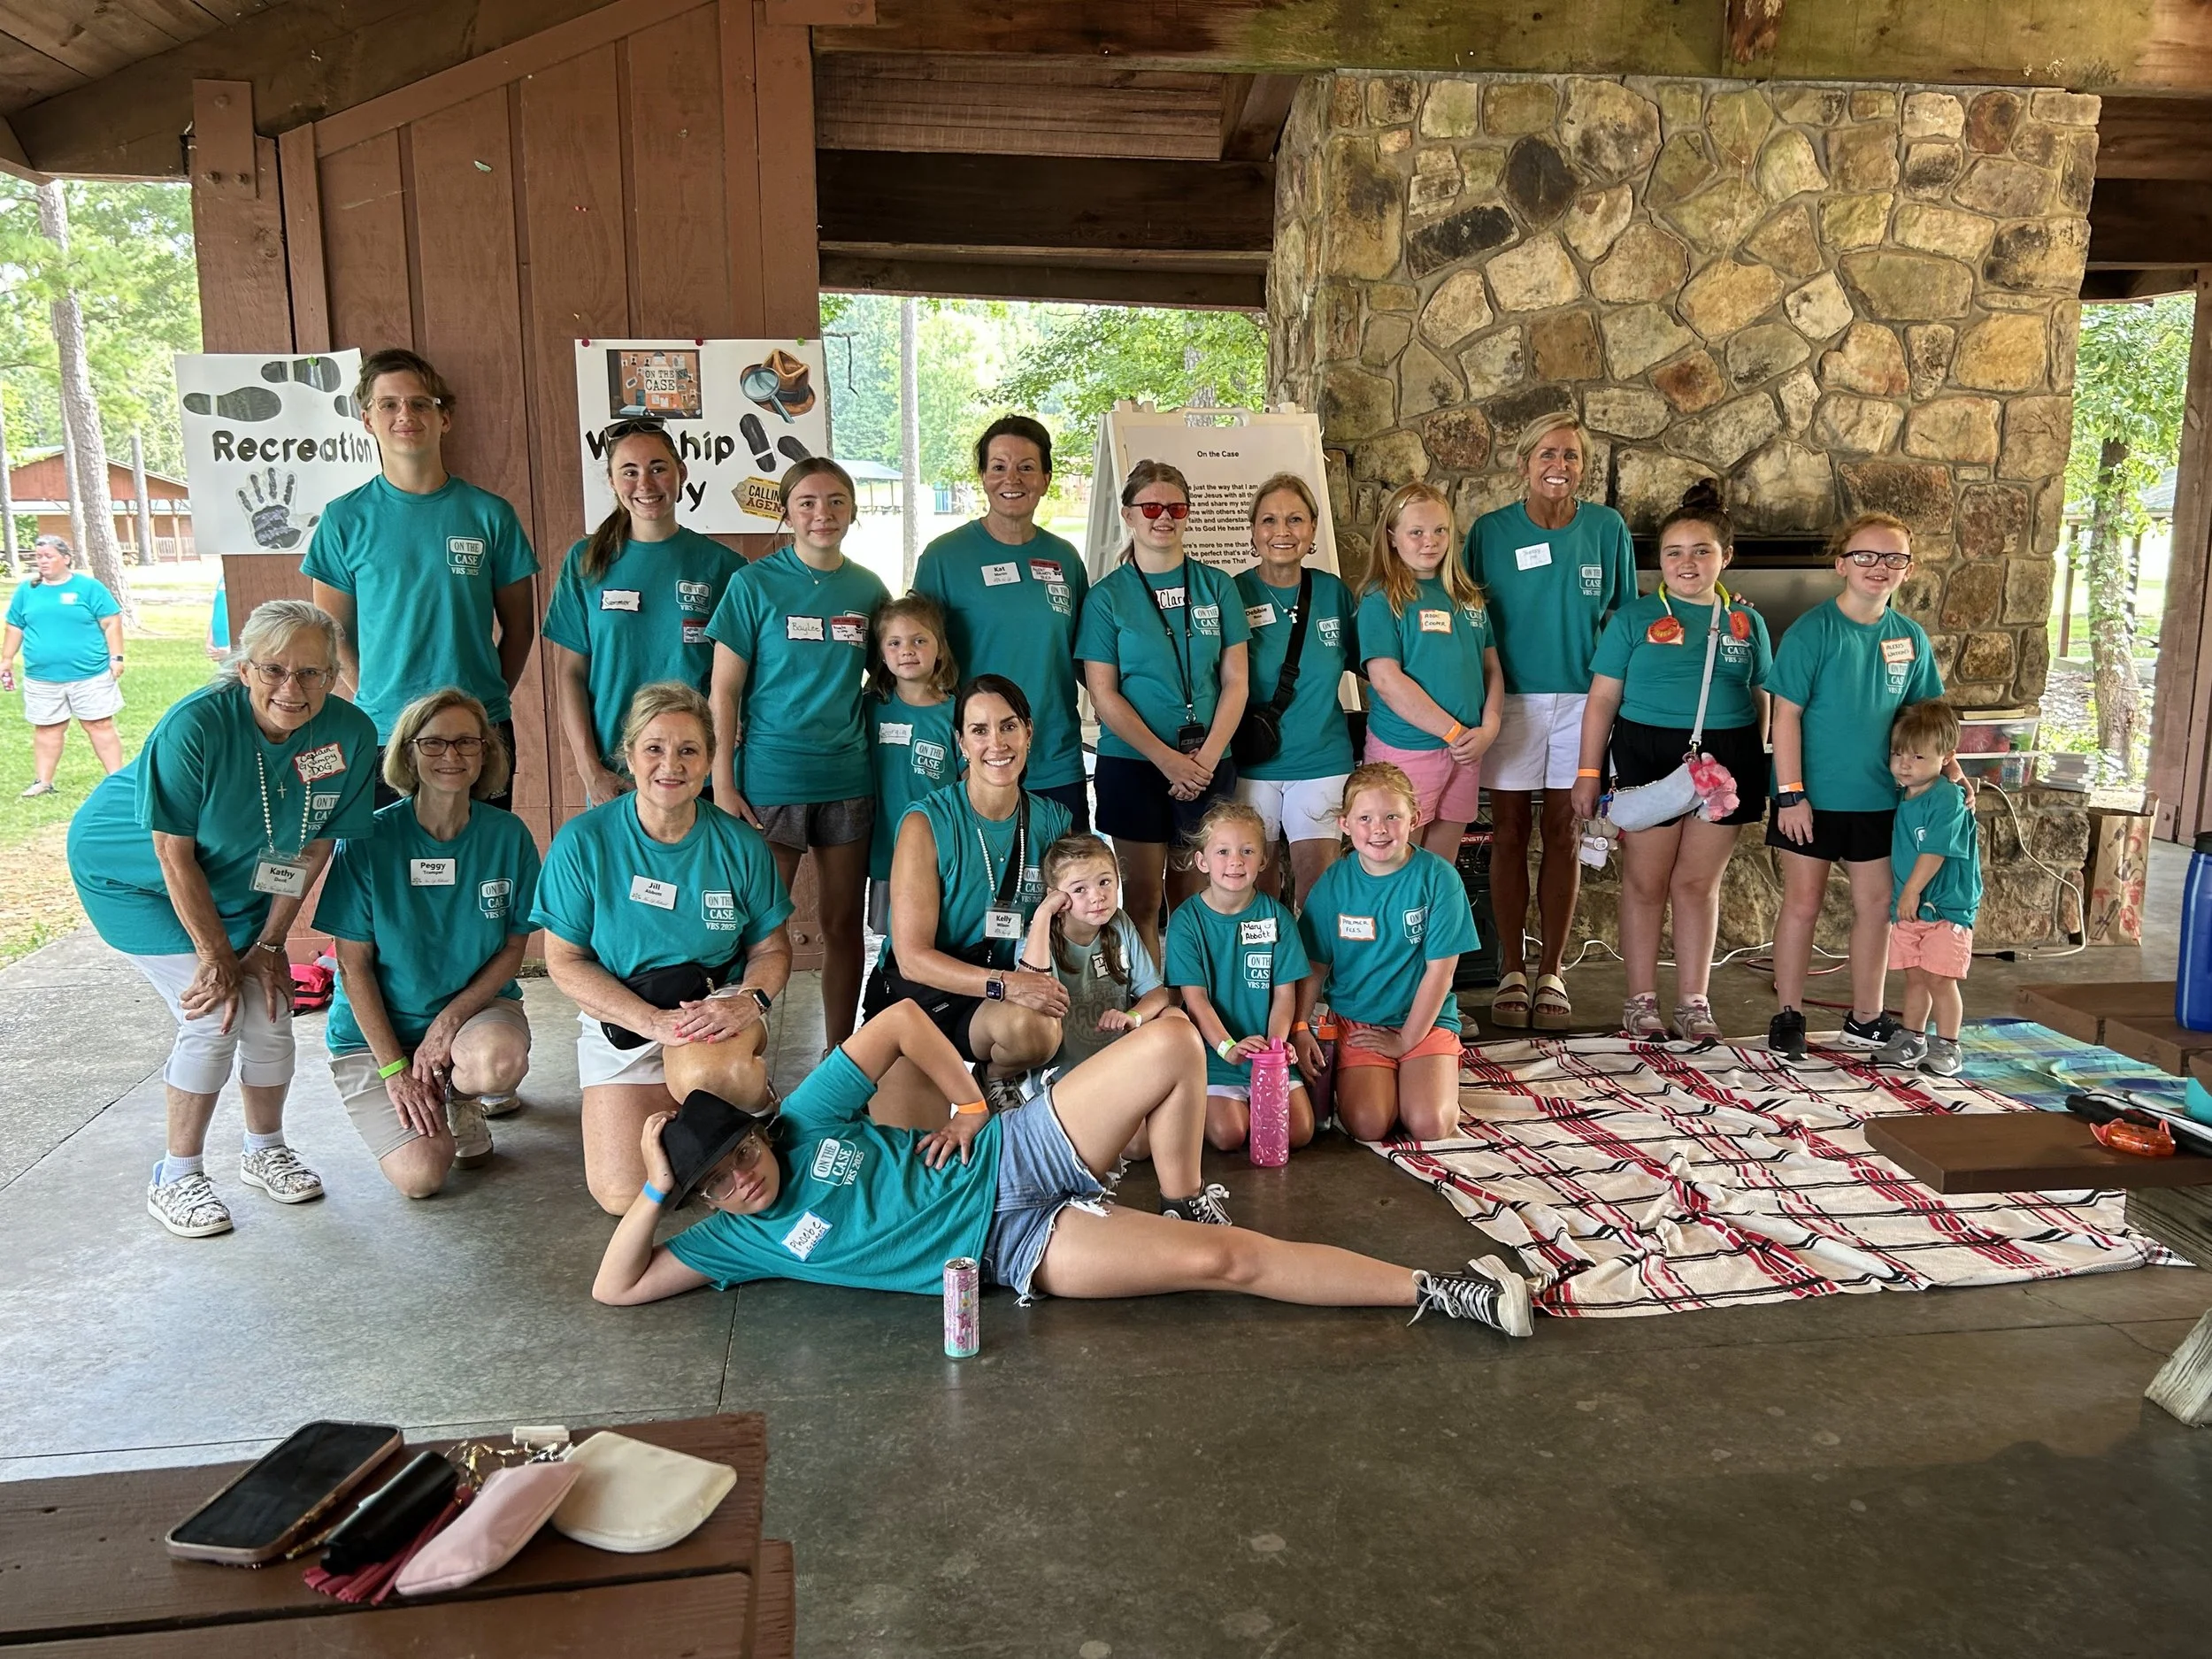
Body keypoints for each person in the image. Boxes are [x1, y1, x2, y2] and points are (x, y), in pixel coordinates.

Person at [590, 996, 1533, 1340]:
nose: (741, 1180)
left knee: (1168, 1041)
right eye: (715, 1182)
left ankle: (1181, 1197)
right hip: (1015, 1243)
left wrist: (967, 1103)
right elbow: (615, 1290)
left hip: (1012, 1147)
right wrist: (659, 1190)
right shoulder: (733, 1241)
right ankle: (1441, 1291)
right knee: (1226, 1266)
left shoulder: (803, 1118)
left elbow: (898, 1025)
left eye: (739, 1155)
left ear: (760, 1131)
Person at [66, 600, 376, 1238]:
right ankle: (176, 1176)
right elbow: (171, 852)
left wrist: (269, 942)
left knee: (269, 1003)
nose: (292, 688)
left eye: (313, 673)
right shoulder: (197, 726)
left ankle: (265, 1150)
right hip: (134, 880)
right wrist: (215, 957)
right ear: (243, 667)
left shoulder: (350, 734)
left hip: (233, 882)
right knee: (216, 1011)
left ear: (334, 673)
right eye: (274, 669)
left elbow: (314, 844)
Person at [534, 681, 794, 1213]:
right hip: (624, 1015)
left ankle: (759, 1111)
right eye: (654, 748)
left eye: (688, 750)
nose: (670, 764)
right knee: (621, 1194)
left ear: (709, 761)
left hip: (713, 1004)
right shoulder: (583, 842)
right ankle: (693, 1117)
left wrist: (750, 1001)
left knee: (702, 1074)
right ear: (628, 756)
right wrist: (651, 1023)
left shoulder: (740, 844)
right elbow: (563, 961)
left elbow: (772, 949)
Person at [1571, 480, 1771, 1041]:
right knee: (1645, 882)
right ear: (1659, 560)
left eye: (1702, 551)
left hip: (1727, 759)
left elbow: (1761, 695)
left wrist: (1766, 764)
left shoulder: (1747, 623)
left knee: (1698, 884)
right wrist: (1588, 773)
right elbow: (1603, 700)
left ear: (1725, 558)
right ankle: (1639, 1000)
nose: (1687, 563)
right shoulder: (1633, 619)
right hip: (1647, 754)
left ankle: (1693, 1001)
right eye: (1674, 552)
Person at [319, 690, 540, 1197]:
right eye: (434, 742)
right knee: (421, 1177)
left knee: (496, 1064)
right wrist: (396, 1069)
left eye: (467, 742)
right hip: (376, 1037)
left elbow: (512, 948)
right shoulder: (368, 838)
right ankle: (418, 1096)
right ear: (408, 752)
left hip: (472, 1016)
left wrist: (449, 1021)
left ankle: (456, 1095)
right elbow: (353, 968)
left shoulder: (508, 835)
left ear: (487, 752)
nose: (452, 756)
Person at [1764, 512, 1967, 1063]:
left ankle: (1867, 1017)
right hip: (1812, 801)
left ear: (1908, 569)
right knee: (1801, 906)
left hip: (1883, 802)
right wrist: (1790, 793)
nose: (1879, 568)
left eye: (1893, 558)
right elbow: (1785, 717)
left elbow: (1928, 716)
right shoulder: (1813, 631)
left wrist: (1950, 767)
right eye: (1866, 557)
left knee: (1877, 907)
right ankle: (1788, 1015)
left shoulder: (1909, 637)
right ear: (1841, 564)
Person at [303, 348, 539, 809]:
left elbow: (520, 628)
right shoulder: (344, 519)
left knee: (482, 863)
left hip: (479, 731)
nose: (404, 414)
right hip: (387, 731)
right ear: (368, 420)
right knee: (392, 870)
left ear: (444, 417)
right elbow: (330, 635)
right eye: (388, 404)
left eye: (419, 402)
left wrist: (483, 701)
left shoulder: (490, 515)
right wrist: (374, 691)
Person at [705, 458, 887, 1048]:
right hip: (769, 781)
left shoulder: (868, 589)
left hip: (846, 778)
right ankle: (737, 1055)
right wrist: (723, 782)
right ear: (785, 512)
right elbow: (724, 690)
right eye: (807, 502)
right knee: (758, 927)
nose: (822, 514)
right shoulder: (753, 585)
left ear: (853, 511)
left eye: (836, 501)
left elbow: (889, 681)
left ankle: (840, 1055)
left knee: (841, 926)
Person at [1464, 417, 1635, 1032]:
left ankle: (1553, 970)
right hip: (1509, 699)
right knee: (1508, 832)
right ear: (1523, 462)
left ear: (1582, 466)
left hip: (1586, 701)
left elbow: (1623, 616)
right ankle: (1511, 966)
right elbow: (1467, 613)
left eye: (1570, 454)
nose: (1558, 464)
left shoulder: (1607, 529)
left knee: (1563, 830)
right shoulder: (1490, 532)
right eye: (1546, 453)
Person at [872, 676, 1071, 1116]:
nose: (996, 743)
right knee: (919, 1152)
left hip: (992, 1006)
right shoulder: (925, 823)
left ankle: (996, 1075)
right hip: (916, 1001)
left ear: (1028, 733)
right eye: (979, 730)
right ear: (961, 742)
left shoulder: (1055, 821)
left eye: (1008, 726)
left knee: (1037, 1030)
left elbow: (1079, 928)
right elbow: (912, 959)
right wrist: (1009, 984)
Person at [1076, 460, 1251, 956]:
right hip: (1134, 764)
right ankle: (1154, 1012)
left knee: (1199, 896)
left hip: (1208, 761)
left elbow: (1236, 681)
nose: (1163, 517)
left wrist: (1206, 760)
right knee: (1144, 900)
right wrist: (1166, 759)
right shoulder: (1107, 598)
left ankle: (1199, 1004)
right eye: (1150, 507)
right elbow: (1103, 694)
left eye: (1175, 507)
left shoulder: (1218, 586)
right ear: (1129, 515)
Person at [544, 419, 742, 808]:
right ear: (613, 481)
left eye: (657, 468)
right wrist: (591, 772)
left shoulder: (724, 567)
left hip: (694, 774)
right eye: (630, 472)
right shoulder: (585, 562)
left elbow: (737, 683)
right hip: (616, 778)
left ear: (680, 473)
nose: (645, 485)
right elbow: (569, 675)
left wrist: (721, 775)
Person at [913, 417, 1092, 829]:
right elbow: (919, 669)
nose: (1012, 478)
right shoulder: (945, 558)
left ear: (1046, 479)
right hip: (979, 759)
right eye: (998, 466)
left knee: (1067, 882)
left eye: (1026, 467)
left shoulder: (1064, 558)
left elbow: (1087, 657)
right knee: (983, 888)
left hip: (1054, 758)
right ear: (983, 477)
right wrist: (956, 754)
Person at [1294, 764, 1480, 1145]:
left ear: (1415, 818)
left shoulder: (1439, 878)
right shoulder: (1334, 882)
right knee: (1369, 1124)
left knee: (1431, 1125)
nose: (1378, 829)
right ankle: (1383, 1079)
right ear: (1345, 824)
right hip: (1359, 1023)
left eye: (1392, 816)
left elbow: (1440, 973)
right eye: (1365, 818)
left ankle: (1418, 1073)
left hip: (1424, 1021)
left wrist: (1405, 1041)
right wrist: (1299, 1027)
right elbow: (1314, 964)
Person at [1357, 481, 1502, 862]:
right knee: (1395, 864)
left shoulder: (1467, 595)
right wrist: (1454, 732)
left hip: (1466, 750)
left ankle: (1432, 925)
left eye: (1440, 530)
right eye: (1416, 532)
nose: (1430, 541)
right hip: (1407, 750)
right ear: (1392, 537)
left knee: (1442, 867)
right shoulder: (1381, 597)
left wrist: (1491, 727)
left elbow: (1491, 668)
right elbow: (1387, 681)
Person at [1233, 473, 1356, 905]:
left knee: (1316, 887)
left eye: (1295, 520)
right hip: (1252, 764)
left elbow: (1374, 666)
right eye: (1269, 520)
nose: (1282, 532)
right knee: (1254, 888)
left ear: (1312, 530)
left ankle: (1313, 976)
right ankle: (1266, 973)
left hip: (1321, 760)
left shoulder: (1334, 593)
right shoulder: (1231, 593)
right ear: (1252, 531)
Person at [1165, 801, 1314, 1155]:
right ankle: (1190, 1100)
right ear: (1202, 861)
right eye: (1223, 851)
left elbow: (1284, 995)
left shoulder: (1277, 917)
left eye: (1247, 851)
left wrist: (1275, 1050)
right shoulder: (1187, 921)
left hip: (1267, 1053)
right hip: (1216, 1054)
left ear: (1263, 860)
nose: (1236, 861)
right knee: (1229, 1135)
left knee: (1300, 1133)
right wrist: (1226, 1048)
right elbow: (1195, 999)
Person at [1878, 700, 1981, 1078]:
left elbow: (1936, 850)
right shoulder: (1904, 795)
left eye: (1919, 757)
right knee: (1916, 976)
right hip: (1911, 907)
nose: (1905, 764)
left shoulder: (1947, 798)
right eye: (1899, 754)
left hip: (1944, 908)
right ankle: (1912, 1037)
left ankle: (1948, 1044)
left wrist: (1911, 891)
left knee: (1940, 977)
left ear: (1947, 757)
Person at [1027, 833, 1173, 1073]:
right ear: (1055, 896)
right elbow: (1032, 995)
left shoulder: (1119, 923)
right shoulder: (1040, 936)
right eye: (1080, 889)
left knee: (1175, 1018)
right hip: (1065, 1074)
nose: (1097, 896)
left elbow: (1157, 994)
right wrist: (1043, 914)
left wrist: (1133, 1017)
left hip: (1119, 1062)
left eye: (1105, 882)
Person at [3, 534, 125, 795]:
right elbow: (15, 626)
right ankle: (43, 782)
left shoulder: (88, 588)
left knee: (99, 724)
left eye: (48, 556)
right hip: (42, 676)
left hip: (89, 674)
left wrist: (116, 657)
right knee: (47, 727)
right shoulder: (27, 590)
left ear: (66, 559)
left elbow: (111, 622)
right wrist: (6, 659)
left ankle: (118, 780)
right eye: (38, 557)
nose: (42, 561)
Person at [865, 593, 958, 931]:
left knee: (941, 932)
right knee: (894, 939)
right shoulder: (868, 709)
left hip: (943, 849)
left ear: (940, 649)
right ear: (882, 653)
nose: (907, 650)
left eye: (919, 640)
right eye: (895, 642)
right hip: (887, 847)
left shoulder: (956, 713)